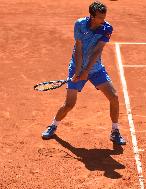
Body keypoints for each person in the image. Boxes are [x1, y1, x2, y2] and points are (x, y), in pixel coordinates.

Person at [41, 1, 126, 145]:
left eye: (104, 16)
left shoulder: (107, 28)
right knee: (69, 104)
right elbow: (78, 48)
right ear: (92, 16)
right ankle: (53, 125)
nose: (103, 20)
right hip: (76, 67)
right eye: (100, 17)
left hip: (96, 69)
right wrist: (78, 71)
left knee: (114, 97)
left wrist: (87, 71)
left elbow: (97, 50)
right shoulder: (79, 24)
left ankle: (115, 131)